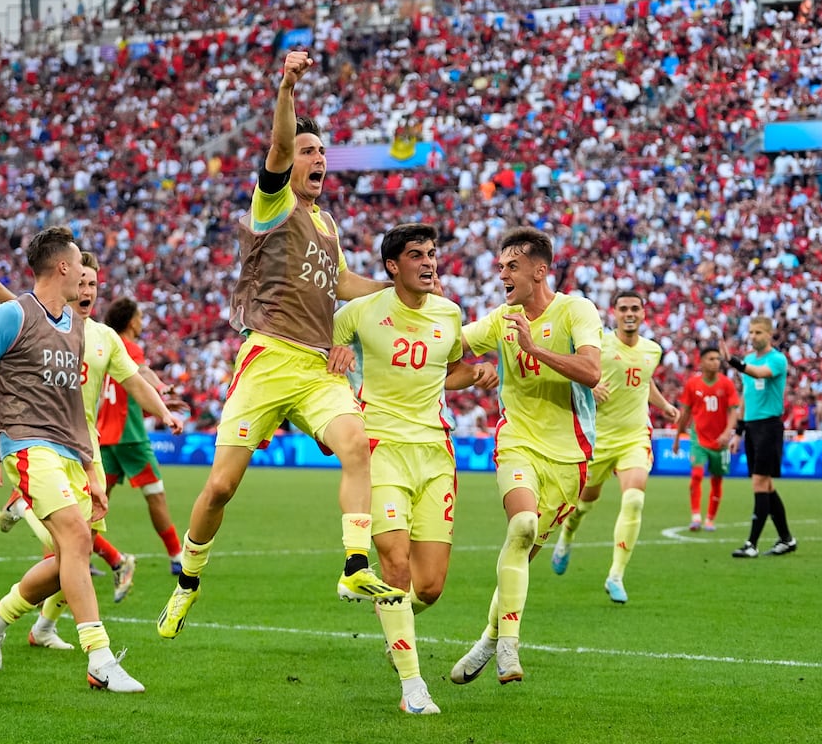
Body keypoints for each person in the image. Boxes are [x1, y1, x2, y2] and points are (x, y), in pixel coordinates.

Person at [157, 49, 405, 641]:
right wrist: (287, 88)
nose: (317, 159)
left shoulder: (327, 224)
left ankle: (353, 565)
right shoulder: (274, 203)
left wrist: (397, 288)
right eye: (308, 151)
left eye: (322, 152)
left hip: (318, 367)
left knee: (356, 445)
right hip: (269, 357)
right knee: (220, 487)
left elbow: (343, 284)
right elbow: (274, 152)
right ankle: (188, 579)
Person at [0, 226, 148, 692]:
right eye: (80, 268)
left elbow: (74, 411)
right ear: (63, 266)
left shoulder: (75, 328)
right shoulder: (11, 316)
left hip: (70, 452)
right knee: (75, 537)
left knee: (71, 559)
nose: (87, 278)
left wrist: (92, 470)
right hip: (27, 446)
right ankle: (100, 659)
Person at [328, 223, 498, 715]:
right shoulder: (358, 313)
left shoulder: (450, 314)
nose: (429, 262)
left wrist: (477, 374)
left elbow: (450, 372)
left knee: (429, 586)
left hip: (435, 454)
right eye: (417, 255)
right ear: (392, 266)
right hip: (380, 450)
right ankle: (413, 687)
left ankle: (393, 625)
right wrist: (332, 356)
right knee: (395, 566)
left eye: (432, 254)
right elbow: (318, 356)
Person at [448, 226, 602, 685]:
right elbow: (448, 349)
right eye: (500, 267)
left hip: (569, 455)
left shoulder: (576, 310)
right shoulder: (500, 319)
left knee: (523, 552)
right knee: (523, 525)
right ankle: (510, 648)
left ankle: (489, 638)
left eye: (511, 266)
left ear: (539, 270)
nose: (502, 275)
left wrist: (534, 347)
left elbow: (592, 371)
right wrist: (470, 364)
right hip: (516, 440)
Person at [548, 291, 679, 604]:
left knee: (634, 500)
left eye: (635, 308)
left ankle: (616, 575)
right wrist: (589, 388)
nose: (630, 313)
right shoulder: (601, 345)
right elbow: (573, 371)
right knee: (583, 504)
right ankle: (567, 536)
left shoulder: (653, 350)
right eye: (624, 309)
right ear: (615, 313)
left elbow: (644, 381)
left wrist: (664, 406)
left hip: (634, 437)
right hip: (599, 438)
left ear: (644, 313)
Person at [97, 298, 189, 575]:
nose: (142, 322)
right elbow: (141, 372)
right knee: (155, 495)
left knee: (96, 502)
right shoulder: (128, 347)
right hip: (130, 436)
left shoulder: (104, 344)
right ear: (130, 321)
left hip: (104, 435)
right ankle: (176, 557)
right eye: (139, 317)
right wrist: (162, 390)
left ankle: (77, 554)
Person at [723, 316, 796, 558]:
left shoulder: (776, 360)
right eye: (751, 332)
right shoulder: (750, 360)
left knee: (759, 482)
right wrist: (739, 432)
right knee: (766, 484)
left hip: (769, 427)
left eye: (758, 332)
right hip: (753, 428)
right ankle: (786, 539)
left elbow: (759, 374)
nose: (753, 336)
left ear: (769, 334)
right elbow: (745, 399)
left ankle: (751, 544)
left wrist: (733, 361)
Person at [672, 346, 740, 531]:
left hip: (720, 440)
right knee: (697, 474)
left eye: (718, 359)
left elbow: (734, 411)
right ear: (701, 362)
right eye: (711, 359)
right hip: (698, 437)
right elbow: (685, 413)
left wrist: (727, 432)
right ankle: (695, 516)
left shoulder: (726, 384)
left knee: (717, 480)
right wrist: (678, 437)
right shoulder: (693, 384)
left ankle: (710, 519)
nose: (716, 362)